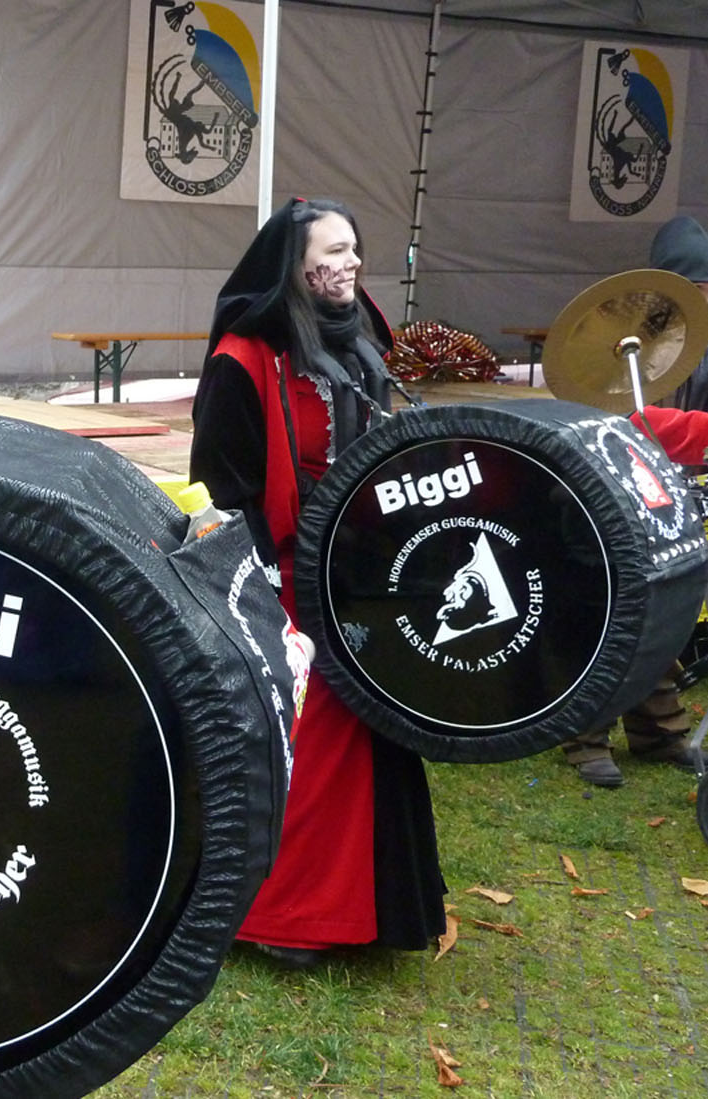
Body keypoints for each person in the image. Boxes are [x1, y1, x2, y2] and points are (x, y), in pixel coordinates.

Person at [190, 197, 446, 968]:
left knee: (372, 725)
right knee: (317, 729)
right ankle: (285, 915)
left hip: (359, 572)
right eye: (332, 251)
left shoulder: (360, 337)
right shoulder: (243, 357)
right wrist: (265, 593)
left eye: (353, 248)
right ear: (293, 264)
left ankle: (362, 907)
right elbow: (222, 485)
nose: (350, 262)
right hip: (284, 581)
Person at [559, 215, 708, 787]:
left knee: (668, 607)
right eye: (696, 290)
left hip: (676, 494)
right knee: (613, 609)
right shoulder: (617, 343)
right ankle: (585, 735)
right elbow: (628, 421)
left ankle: (658, 730)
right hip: (619, 490)